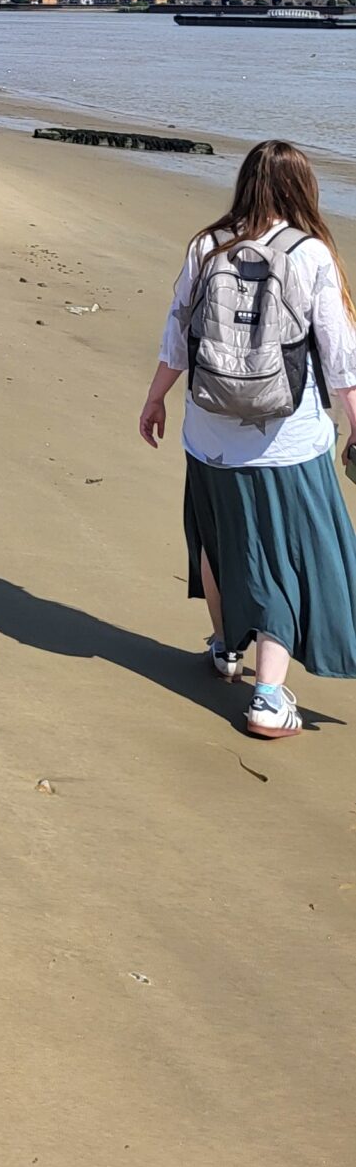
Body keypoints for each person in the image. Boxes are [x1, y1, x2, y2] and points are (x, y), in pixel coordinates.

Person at [139, 138, 356, 739]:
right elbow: (342, 359)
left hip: (208, 431)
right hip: (287, 439)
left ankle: (226, 650)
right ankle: (267, 697)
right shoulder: (311, 254)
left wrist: (156, 396)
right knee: (281, 560)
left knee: (217, 542)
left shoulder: (207, 246)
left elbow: (177, 332)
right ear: (302, 189)